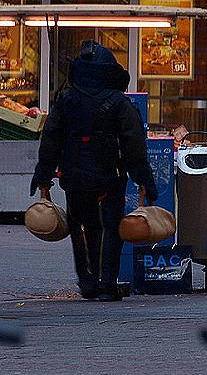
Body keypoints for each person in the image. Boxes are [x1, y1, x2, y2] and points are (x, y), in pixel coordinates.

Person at [31, 40, 158, 302]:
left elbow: (51, 139)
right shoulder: (118, 103)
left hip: (73, 178)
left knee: (79, 226)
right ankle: (107, 284)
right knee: (110, 228)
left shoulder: (66, 100)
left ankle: (87, 280)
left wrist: (43, 174)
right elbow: (133, 145)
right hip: (108, 179)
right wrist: (143, 179)